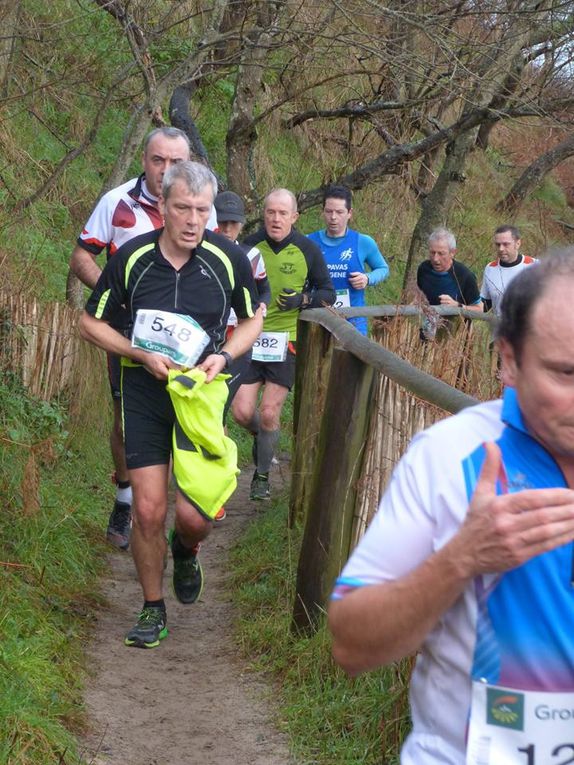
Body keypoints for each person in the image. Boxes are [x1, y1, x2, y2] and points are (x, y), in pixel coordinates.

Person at [329, 251, 574, 764]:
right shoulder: (451, 457)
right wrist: (462, 559)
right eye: (565, 374)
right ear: (508, 359)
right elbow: (351, 644)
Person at [79, 161, 263, 648]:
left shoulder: (228, 259)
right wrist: (138, 352)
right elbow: (90, 323)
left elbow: (253, 320)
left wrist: (223, 356)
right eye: (182, 208)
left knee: (194, 515)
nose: (193, 219)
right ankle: (152, 607)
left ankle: (185, 549)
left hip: (199, 396)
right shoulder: (132, 259)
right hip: (142, 390)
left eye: (202, 210)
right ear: (162, 207)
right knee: (148, 508)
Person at [70, 127, 196, 551]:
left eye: (176, 162)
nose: (166, 170)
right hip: (127, 333)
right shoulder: (116, 202)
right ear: (144, 160)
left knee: (187, 418)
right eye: (158, 160)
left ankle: (185, 508)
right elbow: (82, 255)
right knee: (125, 419)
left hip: (186, 339)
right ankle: (126, 497)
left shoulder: (200, 205)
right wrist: (113, 299)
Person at [233, 188, 335, 501]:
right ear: (263, 215)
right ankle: (263, 438)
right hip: (250, 336)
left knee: (269, 412)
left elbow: (327, 292)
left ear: (294, 216)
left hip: (286, 340)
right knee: (241, 411)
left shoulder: (307, 249)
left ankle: (261, 477)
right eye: (270, 213)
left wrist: (303, 300)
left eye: (282, 213)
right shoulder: (248, 246)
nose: (276, 219)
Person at [212, 190, 271, 522]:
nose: (227, 229)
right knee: (208, 413)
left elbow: (264, 287)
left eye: (233, 223)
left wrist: (262, 305)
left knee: (219, 409)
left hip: (238, 341)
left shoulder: (252, 255)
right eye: (221, 222)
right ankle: (208, 485)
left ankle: (216, 492)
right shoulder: (200, 250)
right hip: (205, 338)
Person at [307, 184, 389, 335]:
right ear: (322, 212)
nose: (333, 217)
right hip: (317, 319)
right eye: (329, 211)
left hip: (352, 321)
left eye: (339, 212)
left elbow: (383, 269)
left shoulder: (363, 242)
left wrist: (367, 278)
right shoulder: (309, 241)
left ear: (349, 213)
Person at [416, 227, 483, 311]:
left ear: (452, 253)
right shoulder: (424, 269)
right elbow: (418, 297)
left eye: (441, 253)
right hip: (425, 322)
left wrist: (458, 306)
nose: (435, 259)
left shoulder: (464, 275)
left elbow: (480, 309)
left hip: (455, 323)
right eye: (432, 252)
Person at [481, 225, 537, 315]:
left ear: (518, 244)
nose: (501, 249)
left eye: (506, 244)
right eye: (498, 244)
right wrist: (460, 306)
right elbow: (485, 304)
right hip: (501, 326)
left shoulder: (534, 266)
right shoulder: (490, 268)